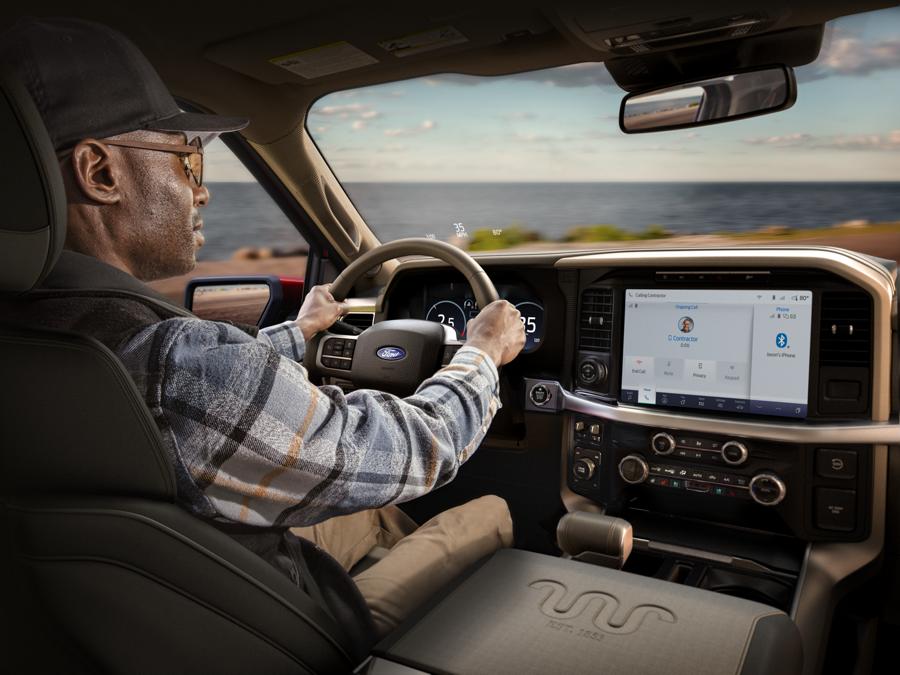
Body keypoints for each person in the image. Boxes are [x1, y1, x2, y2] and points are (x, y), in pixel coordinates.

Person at [0, 16, 525, 641]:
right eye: (187, 160)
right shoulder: (182, 364)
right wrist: (483, 354)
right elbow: (418, 446)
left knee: (376, 508)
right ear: (99, 173)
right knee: (490, 511)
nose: (203, 193)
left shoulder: (43, 339)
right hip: (289, 634)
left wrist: (298, 332)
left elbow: (195, 392)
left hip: (137, 620)